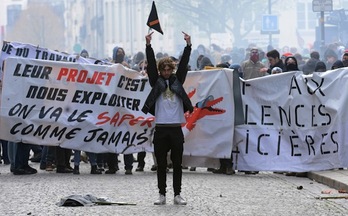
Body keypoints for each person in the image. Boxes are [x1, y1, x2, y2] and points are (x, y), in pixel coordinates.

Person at [142, 31, 193, 205]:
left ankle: (177, 194)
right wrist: (148, 45)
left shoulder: (178, 80)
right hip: (161, 129)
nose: (165, 71)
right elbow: (150, 69)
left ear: (172, 70)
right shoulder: (156, 82)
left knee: (177, 164)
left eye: (168, 69)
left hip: (176, 129)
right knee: (161, 165)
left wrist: (188, 46)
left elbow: (184, 64)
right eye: (163, 69)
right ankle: (162, 194)